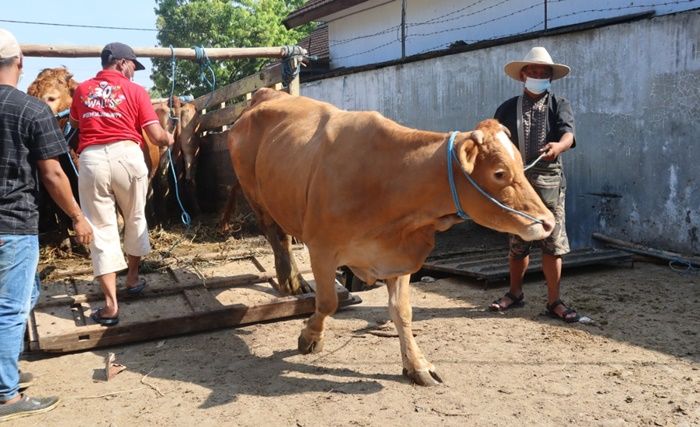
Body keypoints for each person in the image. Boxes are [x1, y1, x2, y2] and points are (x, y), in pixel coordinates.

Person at [0, 28, 93, 421]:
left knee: (26, 293)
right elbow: (54, 175)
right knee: (10, 306)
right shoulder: (30, 110)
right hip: (13, 223)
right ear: (20, 62)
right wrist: (77, 216)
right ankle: (6, 396)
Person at [69, 42, 174, 326]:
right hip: (127, 156)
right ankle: (132, 279)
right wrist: (168, 138)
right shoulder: (137, 92)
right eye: (133, 66)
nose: (134, 72)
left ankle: (110, 306)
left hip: (92, 160)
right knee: (135, 217)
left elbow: (76, 124)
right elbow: (154, 135)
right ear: (120, 62)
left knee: (101, 228)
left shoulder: (82, 90)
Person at [489, 46, 580, 322]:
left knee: (552, 243)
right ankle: (515, 293)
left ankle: (554, 301)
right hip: (518, 187)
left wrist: (558, 146)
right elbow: (494, 140)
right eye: (534, 71)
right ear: (523, 75)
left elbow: (568, 135)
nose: (538, 75)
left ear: (550, 78)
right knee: (518, 242)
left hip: (550, 183)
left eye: (544, 73)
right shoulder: (506, 109)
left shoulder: (558, 104)